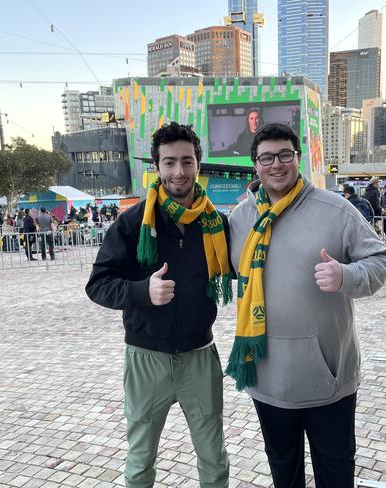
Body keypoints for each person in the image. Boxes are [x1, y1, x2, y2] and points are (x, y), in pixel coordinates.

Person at [226, 123, 386, 488]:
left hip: (327, 378)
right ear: (255, 164)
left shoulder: (336, 210)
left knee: (335, 472)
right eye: (267, 157)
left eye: (285, 154)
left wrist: (345, 276)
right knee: (284, 472)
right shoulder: (240, 219)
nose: (277, 164)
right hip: (267, 376)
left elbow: (381, 261)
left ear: (298, 158)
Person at [85, 122, 232, 488]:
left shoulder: (217, 223)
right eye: (169, 163)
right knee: (140, 459)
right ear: (157, 167)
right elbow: (98, 284)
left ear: (199, 164)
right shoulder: (133, 223)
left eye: (186, 161)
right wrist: (141, 292)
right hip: (145, 357)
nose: (178, 172)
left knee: (214, 458)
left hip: (200, 355)